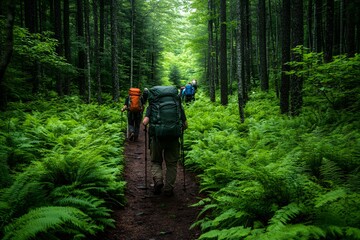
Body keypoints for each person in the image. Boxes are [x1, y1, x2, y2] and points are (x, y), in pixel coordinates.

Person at [142, 86, 188, 196]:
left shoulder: (153, 105)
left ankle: (158, 181)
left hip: (157, 138)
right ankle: (168, 189)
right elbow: (185, 125)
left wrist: (149, 125)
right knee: (171, 164)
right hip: (173, 138)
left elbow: (144, 122)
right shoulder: (178, 105)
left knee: (156, 161)